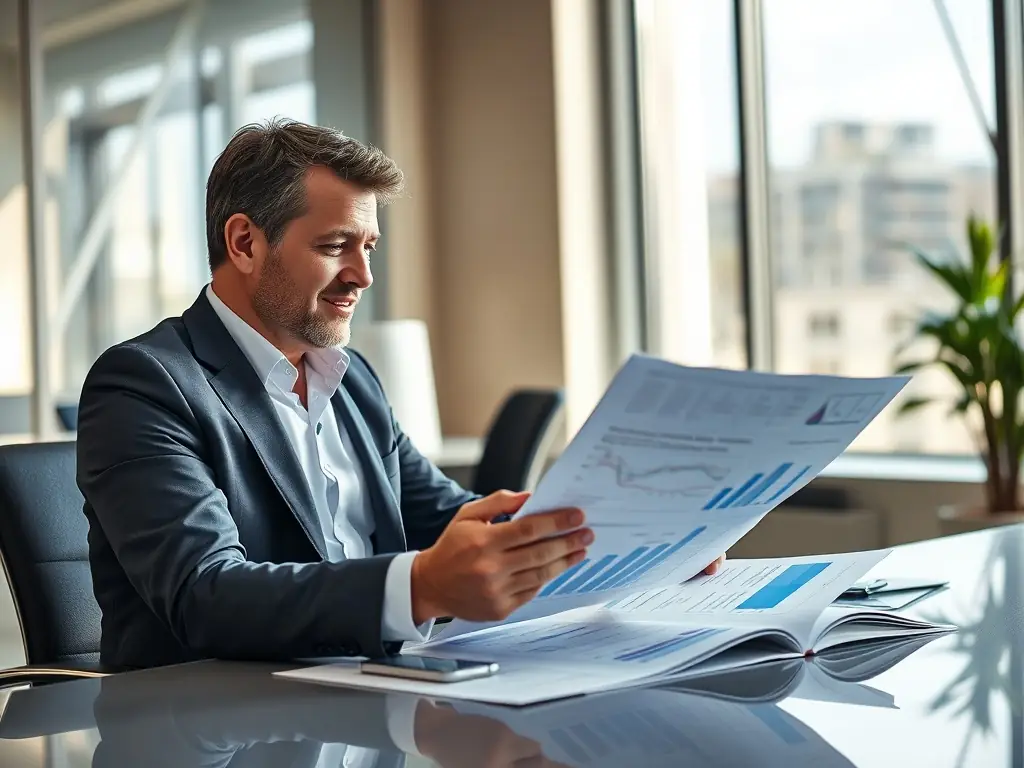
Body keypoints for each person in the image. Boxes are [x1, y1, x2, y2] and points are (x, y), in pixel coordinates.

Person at [77, 118, 723, 670]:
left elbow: (443, 516)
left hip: (369, 701)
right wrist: (418, 588)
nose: (363, 275)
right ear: (245, 242)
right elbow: (205, 594)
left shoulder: (351, 378)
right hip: (217, 728)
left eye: (368, 246)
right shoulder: (144, 385)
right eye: (335, 247)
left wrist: (636, 545)